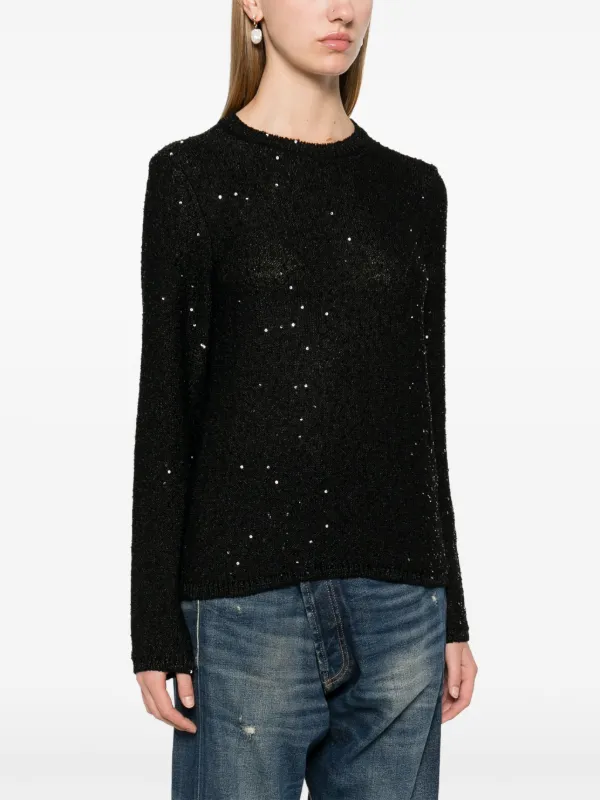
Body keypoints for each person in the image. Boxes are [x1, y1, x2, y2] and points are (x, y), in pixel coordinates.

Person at [130, 1, 478, 798]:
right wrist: (154, 628)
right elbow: (167, 413)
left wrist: (452, 610)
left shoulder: (413, 191)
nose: (342, 9)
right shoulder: (191, 178)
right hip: (244, 606)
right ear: (253, 4)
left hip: (402, 606)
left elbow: (425, 416)